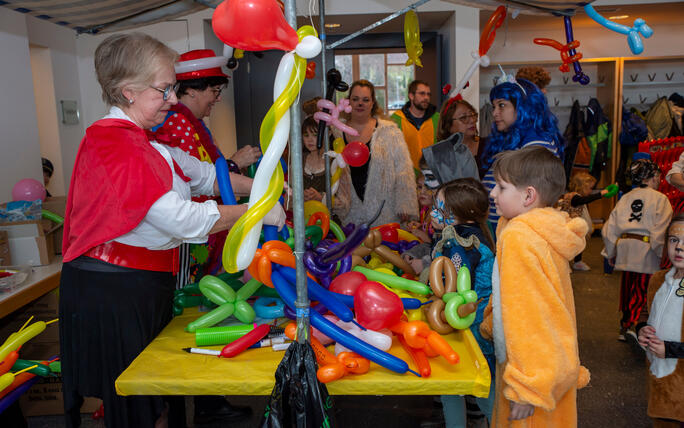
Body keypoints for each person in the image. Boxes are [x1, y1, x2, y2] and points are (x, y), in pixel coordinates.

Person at [58, 33, 285, 428]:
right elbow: (183, 219)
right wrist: (257, 211)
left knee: (156, 395)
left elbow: (198, 174)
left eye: (173, 89)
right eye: (163, 89)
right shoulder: (117, 144)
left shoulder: (141, 140)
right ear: (128, 91)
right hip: (114, 289)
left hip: (138, 284)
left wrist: (266, 186)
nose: (173, 99)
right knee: (140, 404)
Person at [481, 146, 590, 427]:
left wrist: (528, 389)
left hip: (530, 375)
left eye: (501, 188)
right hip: (550, 368)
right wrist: (493, 322)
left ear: (528, 195)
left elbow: (531, 314)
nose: (492, 194)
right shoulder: (544, 230)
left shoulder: (520, 236)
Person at [155, 48, 261, 285]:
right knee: (190, 290)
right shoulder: (178, 122)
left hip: (200, 228)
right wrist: (235, 163)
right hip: (192, 232)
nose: (218, 98)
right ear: (191, 90)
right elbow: (193, 183)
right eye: (214, 91)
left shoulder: (190, 123)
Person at [425, 179, 496, 428]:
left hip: (470, 326)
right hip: (470, 322)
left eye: (441, 207)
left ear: (459, 214)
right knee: (455, 385)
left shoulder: (460, 243)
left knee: (476, 387)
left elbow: (455, 284)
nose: (434, 212)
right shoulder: (468, 234)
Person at [481, 73, 564, 229]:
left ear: (522, 107)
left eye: (502, 105)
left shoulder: (536, 144)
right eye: (494, 106)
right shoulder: (517, 139)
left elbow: (534, 200)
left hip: (517, 229)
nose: (494, 113)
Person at [602, 159, 673, 342]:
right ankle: (637, 324)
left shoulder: (626, 197)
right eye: (658, 177)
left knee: (628, 286)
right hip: (647, 248)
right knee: (644, 288)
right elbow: (661, 229)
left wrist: (611, 252)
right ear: (654, 177)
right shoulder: (661, 199)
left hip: (625, 246)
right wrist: (662, 254)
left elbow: (610, 227)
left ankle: (625, 323)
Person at [333, 79, 418, 227]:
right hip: (347, 214)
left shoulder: (390, 131)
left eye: (366, 100)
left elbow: (404, 170)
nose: (360, 103)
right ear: (348, 102)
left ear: (373, 103)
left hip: (385, 212)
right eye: (355, 99)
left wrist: (406, 204)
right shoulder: (335, 131)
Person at [636, 214, 684, 428]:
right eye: (674, 240)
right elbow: (646, 314)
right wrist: (642, 329)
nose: (680, 248)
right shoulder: (658, 279)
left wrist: (671, 349)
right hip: (659, 384)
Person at [557, 171, 614, 271]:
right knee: (573, 244)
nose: (591, 191)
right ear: (582, 187)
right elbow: (585, 200)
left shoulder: (572, 195)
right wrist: (600, 194)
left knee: (575, 244)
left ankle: (572, 262)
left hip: (571, 226)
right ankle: (573, 262)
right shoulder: (575, 197)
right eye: (590, 188)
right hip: (571, 227)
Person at [301, 115, 351, 221]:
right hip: (303, 223)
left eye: (315, 135)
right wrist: (300, 197)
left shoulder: (336, 161)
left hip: (330, 225)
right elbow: (288, 198)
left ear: (328, 134)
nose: (310, 140)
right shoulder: (298, 161)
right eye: (306, 135)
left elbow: (345, 203)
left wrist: (321, 198)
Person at [390, 80, 440, 169]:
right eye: (422, 94)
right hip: (405, 175)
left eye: (428, 94)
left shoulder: (437, 118)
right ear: (411, 96)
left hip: (433, 174)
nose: (426, 97)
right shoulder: (396, 119)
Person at [436, 97, 482, 162]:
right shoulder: (441, 156)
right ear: (448, 126)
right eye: (463, 117)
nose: (472, 120)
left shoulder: (489, 146)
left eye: (472, 115)